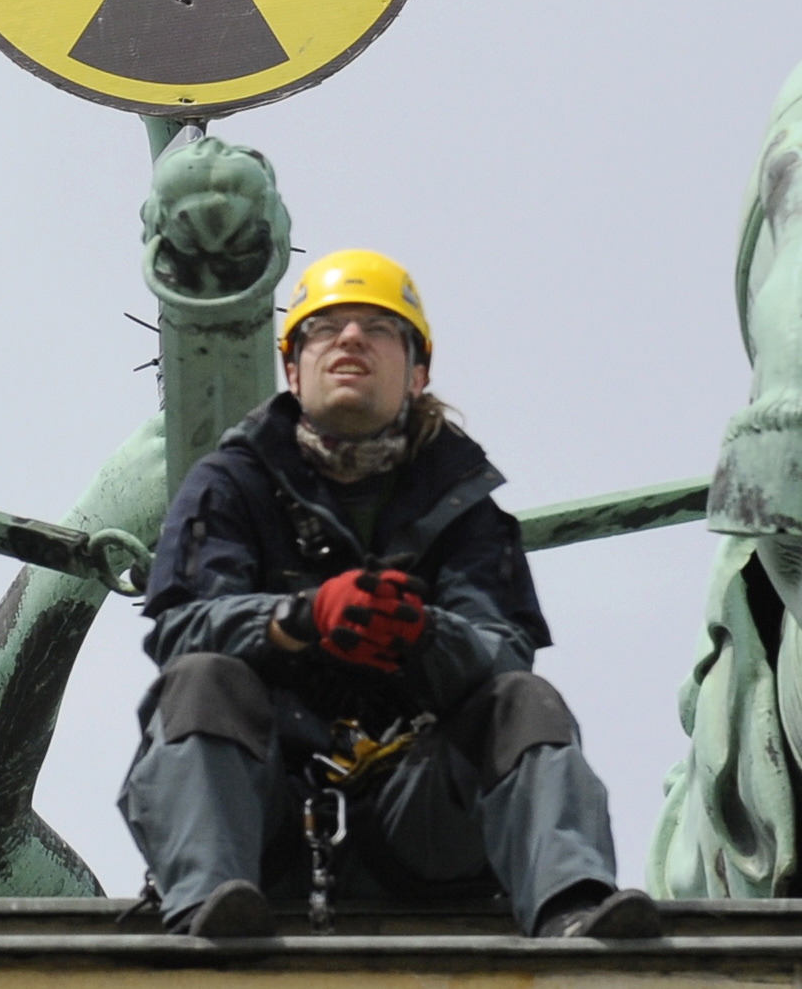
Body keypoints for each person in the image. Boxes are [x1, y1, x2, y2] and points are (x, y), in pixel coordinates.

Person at [118, 248, 661, 940]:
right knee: (200, 679)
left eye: (377, 328)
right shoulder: (229, 485)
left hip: (420, 823)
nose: (350, 339)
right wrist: (296, 618)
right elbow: (181, 629)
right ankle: (205, 909)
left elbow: (504, 655)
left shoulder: (466, 507)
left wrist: (423, 634)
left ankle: (572, 907)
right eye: (326, 328)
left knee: (524, 702)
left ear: (418, 368)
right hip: (266, 821)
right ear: (292, 365)